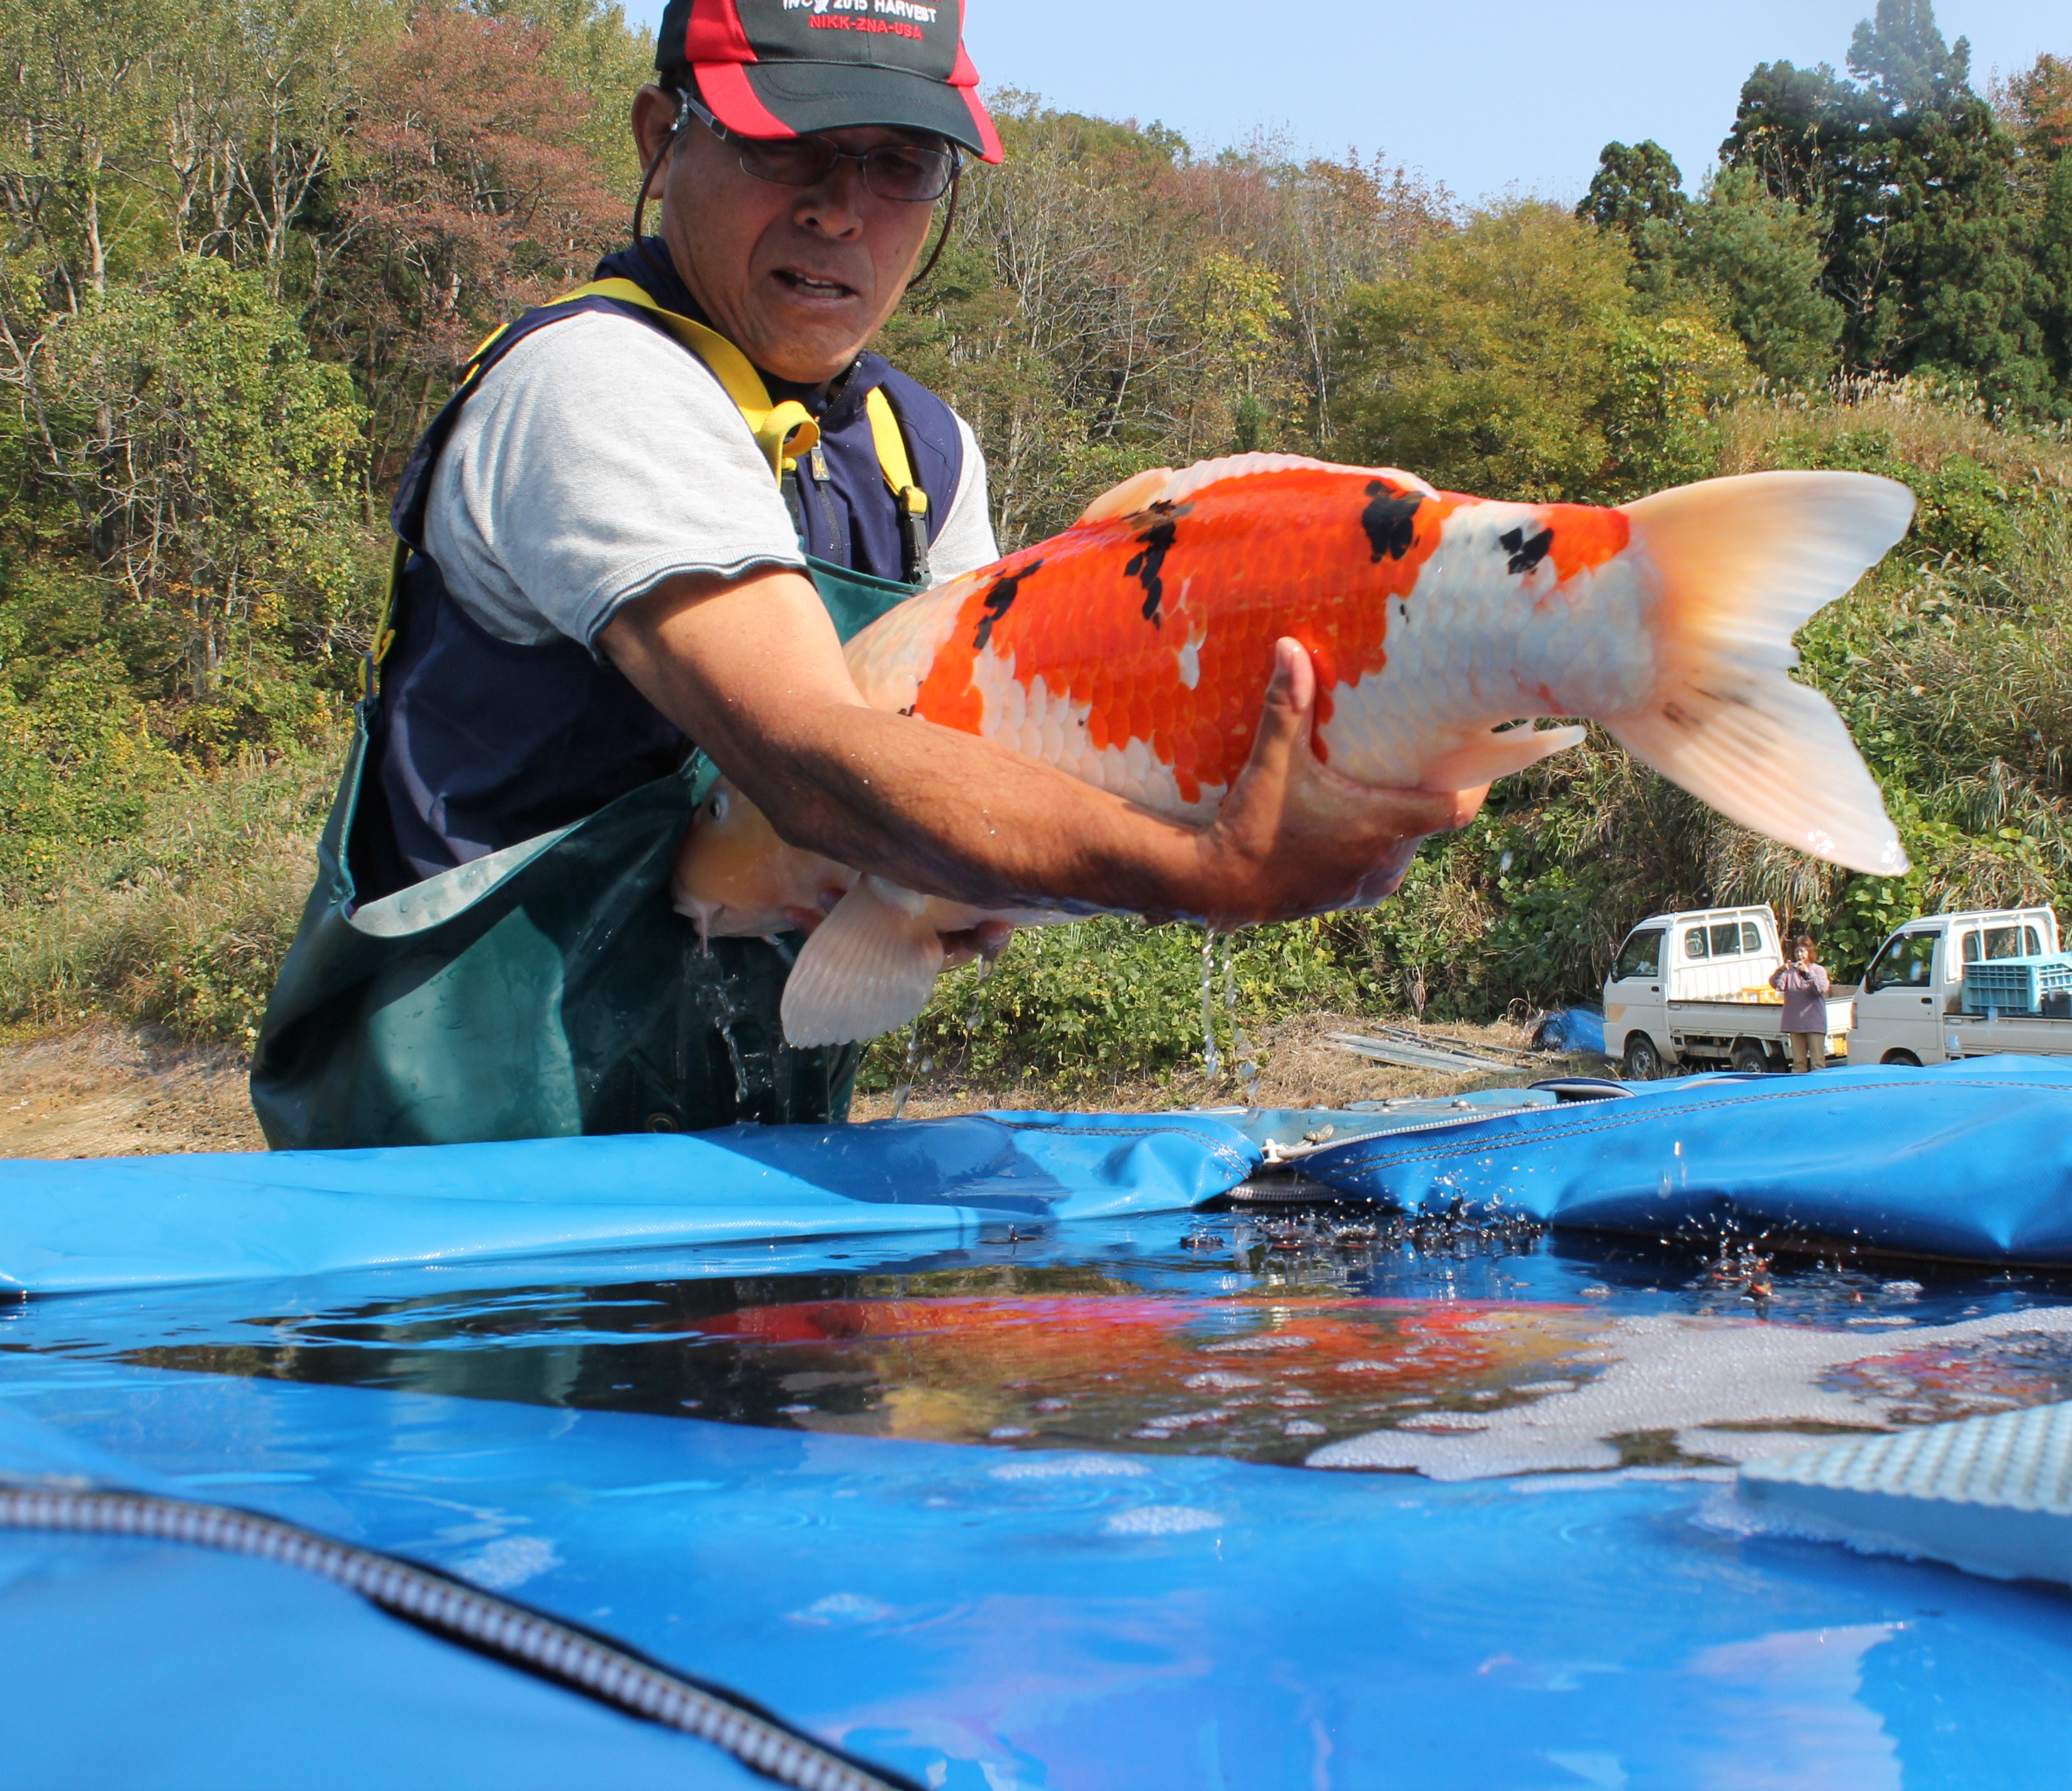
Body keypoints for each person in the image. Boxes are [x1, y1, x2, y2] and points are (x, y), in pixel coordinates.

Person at [247, 0, 1468, 1150]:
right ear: (662, 139)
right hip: (450, 1198)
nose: (843, 210)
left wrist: (1308, 771)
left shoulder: (921, 452)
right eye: (792, 147)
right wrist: (1198, 874)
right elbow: (812, 763)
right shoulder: (593, 387)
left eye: (902, 164)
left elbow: (996, 786)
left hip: (750, 1174)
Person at [1769, 934, 1831, 1073]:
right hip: (1795, 1024)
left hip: (1814, 1023)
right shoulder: (1790, 972)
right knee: (1799, 1063)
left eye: (1803, 951)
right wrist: (1781, 971)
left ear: (1810, 952)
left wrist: (1807, 974)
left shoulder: (1818, 970)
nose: (1800, 955)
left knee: (1817, 1062)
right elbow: (1777, 985)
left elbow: (1821, 989)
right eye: (1797, 952)